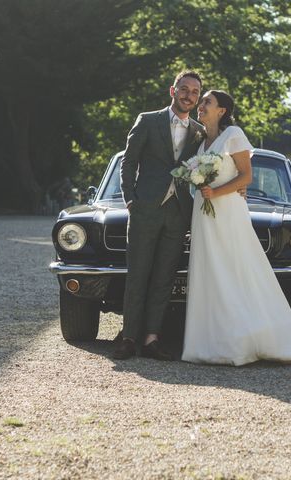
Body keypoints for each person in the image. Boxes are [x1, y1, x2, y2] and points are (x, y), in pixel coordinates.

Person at [181, 90, 291, 366]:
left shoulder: (234, 135)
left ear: (222, 111)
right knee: (209, 270)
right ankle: (209, 344)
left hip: (227, 210)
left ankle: (243, 341)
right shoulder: (201, 140)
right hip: (204, 213)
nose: (201, 105)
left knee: (234, 267)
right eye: (202, 101)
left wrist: (215, 194)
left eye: (207, 101)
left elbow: (247, 175)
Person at [114, 71, 206, 360]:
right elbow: (128, 162)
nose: (188, 95)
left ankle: (152, 339)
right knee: (138, 275)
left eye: (194, 92)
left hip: (178, 214)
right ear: (172, 90)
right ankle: (129, 338)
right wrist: (131, 200)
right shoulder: (148, 120)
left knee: (164, 278)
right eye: (184, 89)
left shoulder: (199, 132)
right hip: (145, 211)